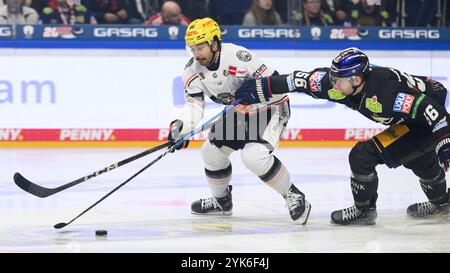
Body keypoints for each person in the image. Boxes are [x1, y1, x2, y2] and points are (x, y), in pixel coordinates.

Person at [233, 47, 450, 225]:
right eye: (332, 77)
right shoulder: (338, 84)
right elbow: (298, 80)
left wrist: (445, 145)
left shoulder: (387, 93)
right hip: (411, 117)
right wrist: (260, 88)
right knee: (417, 157)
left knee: (362, 156)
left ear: (356, 79)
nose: (333, 84)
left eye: (338, 79)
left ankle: (364, 211)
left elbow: (435, 113)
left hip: (426, 118)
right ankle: (442, 203)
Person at [167, 17, 311, 224]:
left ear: (215, 43)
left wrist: (258, 92)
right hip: (241, 111)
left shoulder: (239, 57)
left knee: (253, 157)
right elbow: (194, 105)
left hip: (270, 108)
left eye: (200, 47)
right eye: (192, 48)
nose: (196, 54)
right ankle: (221, 201)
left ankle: (293, 195)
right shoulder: (191, 71)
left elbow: (278, 85)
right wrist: (180, 127)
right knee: (211, 151)